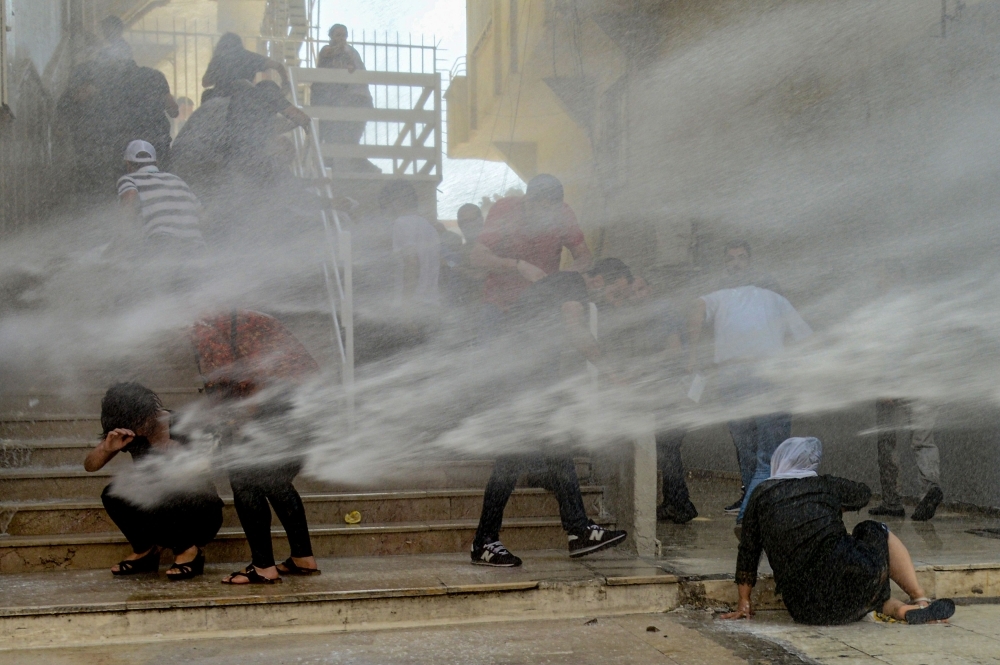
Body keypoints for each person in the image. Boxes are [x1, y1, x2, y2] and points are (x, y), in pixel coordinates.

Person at [470, 258, 634, 567]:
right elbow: (576, 331)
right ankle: (485, 542)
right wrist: (612, 373)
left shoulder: (557, 285)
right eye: (618, 292)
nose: (616, 299)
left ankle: (578, 531)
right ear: (599, 279)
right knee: (510, 463)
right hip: (517, 383)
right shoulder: (572, 284)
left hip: (524, 381)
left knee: (556, 450)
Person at [723, 437, 956, 625]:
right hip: (854, 582)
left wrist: (744, 601)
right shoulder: (826, 485)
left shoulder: (761, 493)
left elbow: (748, 551)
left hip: (806, 608)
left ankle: (901, 610)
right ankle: (919, 599)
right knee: (871, 528)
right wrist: (833, 503)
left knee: (856, 590)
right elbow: (863, 493)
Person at [190, 310, 320, 584]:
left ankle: (263, 567)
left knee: (243, 478)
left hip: (272, 408)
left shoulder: (208, 325)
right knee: (274, 480)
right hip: (304, 405)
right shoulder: (248, 319)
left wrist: (232, 419)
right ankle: (302, 557)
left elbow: (235, 379)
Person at [687, 241, 812, 522]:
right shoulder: (721, 296)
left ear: (751, 264)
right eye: (731, 258)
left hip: (764, 379)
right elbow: (697, 307)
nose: (736, 263)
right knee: (749, 447)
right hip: (737, 381)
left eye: (742, 257)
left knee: (765, 450)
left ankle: (751, 512)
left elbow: (803, 338)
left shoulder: (773, 298)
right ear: (725, 266)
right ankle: (755, 500)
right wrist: (694, 355)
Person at [84, 382, 224, 580]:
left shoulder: (182, 423)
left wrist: (179, 453)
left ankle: (189, 551)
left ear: (149, 412)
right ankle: (145, 551)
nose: (137, 429)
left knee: (162, 486)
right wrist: (106, 448)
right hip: (157, 509)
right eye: (132, 424)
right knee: (112, 494)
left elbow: (211, 466)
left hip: (199, 512)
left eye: (140, 422)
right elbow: (90, 466)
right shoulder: (128, 429)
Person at [867, 262, 944, 521]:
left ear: (892, 275)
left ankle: (892, 501)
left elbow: (891, 348)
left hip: (899, 382)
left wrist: (888, 382)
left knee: (887, 442)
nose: (876, 280)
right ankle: (929, 490)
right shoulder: (921, 303)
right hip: (927, 381)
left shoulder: (889, 306)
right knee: (923, 440)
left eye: (879, 273)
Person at [471, 174, 592, 338]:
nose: (545, 218)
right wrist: (518, 266)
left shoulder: (564, 214)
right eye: (541, 210)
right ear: (527, 200)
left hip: (543, 305)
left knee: (545, 359)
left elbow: (584, 257)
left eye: (551, 212)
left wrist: (561, 279)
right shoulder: (504, 211)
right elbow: (477, 257)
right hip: (500, 305)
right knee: (493, 358)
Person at [116, 140, 205, 253]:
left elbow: (128, 207)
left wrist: (118, 246)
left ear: (128, 164)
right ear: (156, 163)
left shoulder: (129, 179)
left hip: (163, 244)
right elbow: (202, 215)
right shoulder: (176, 180)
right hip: (196, 246)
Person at [224, 80, 311, 187]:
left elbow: (268, 128)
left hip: (234, 150)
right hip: (249, 152)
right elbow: (299, 116)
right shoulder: (269, 94)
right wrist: (305, 122)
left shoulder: (245, 103)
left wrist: (295, 124)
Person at [312, 24, 373, 153]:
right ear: (331, 36)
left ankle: (345, 158)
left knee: (347, 133)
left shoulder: (349, 52)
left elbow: (352, 69)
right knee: (323, 130)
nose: (341, 38)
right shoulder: (328, 50)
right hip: (325, 98)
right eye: (338, 35)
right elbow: (329, 54)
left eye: (344, 35)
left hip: (341, 98)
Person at [379, 182, 441, 307]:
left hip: (414, 304)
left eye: (384, 205)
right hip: (431, 302)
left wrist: (406, 304)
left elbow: (411, 262)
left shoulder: (401, 223)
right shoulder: (428, 227)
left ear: (396, 202)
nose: (384, 211)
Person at [201, 33, 289, 104]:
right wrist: (285, 83)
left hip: (220, 98)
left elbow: (205, 83)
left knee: (206, 95)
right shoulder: (250, 57)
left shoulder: (217, 60)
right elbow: (278, 66)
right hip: (244, 98)